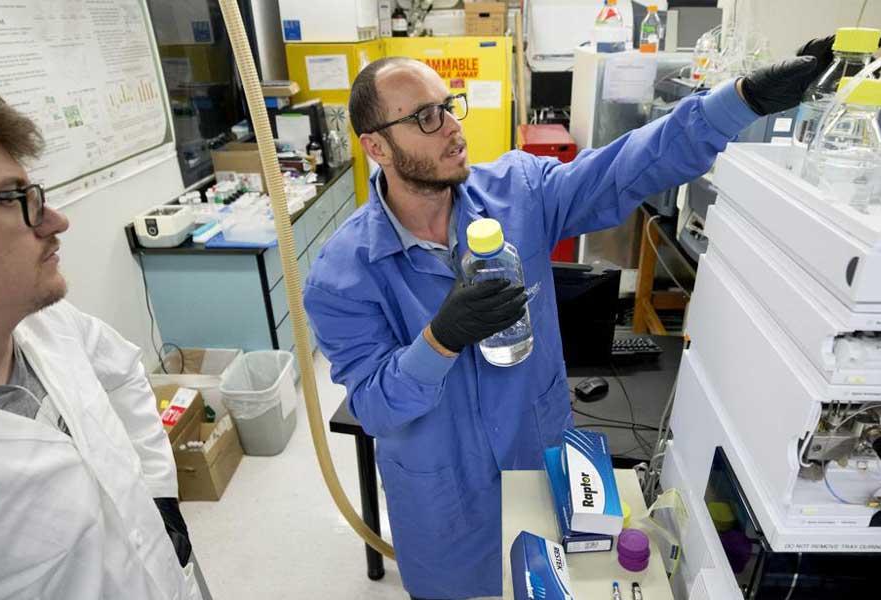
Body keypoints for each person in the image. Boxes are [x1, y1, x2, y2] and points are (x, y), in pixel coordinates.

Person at [304, 44, 834, 599]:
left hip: (541, 464)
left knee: (552, 586)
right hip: (443, 501)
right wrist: (439, 341)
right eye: (425, 117)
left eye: (449, 106)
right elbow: (374, 407)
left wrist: (740, 102)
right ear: (376, 146)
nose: (452, 128)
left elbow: (630, 165)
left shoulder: (520, 192)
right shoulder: (342, 276)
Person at [0, 64, 199, 599]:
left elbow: (122, 372)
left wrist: (157, 493)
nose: (55, 220)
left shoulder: (45, 322)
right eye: (13, 198)